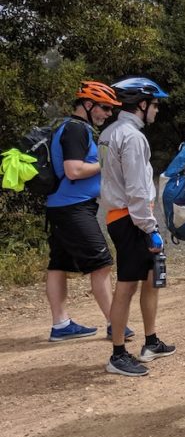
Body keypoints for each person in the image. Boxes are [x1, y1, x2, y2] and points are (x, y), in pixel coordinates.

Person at [98, 77, 175, 377]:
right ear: (141, 104)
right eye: (155, 104)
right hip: (131, 219)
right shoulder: (132, 137)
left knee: (150, 277)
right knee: (127, 286)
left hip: (124, 217)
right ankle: (118, 354)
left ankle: (151, 342)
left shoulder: (110, 131)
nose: (157, 110)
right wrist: (149, 227)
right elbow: (137, 189)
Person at [44, 81, 120, 342]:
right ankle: (115, 324)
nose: (108, 114)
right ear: (88, 105)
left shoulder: (70, 127)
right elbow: (73, 170)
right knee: (102, 264)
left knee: (58, 264)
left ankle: (60, 324)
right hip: (72, 207)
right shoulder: (76, 129)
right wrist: (105, 162)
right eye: (105, 108)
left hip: (61, 205)